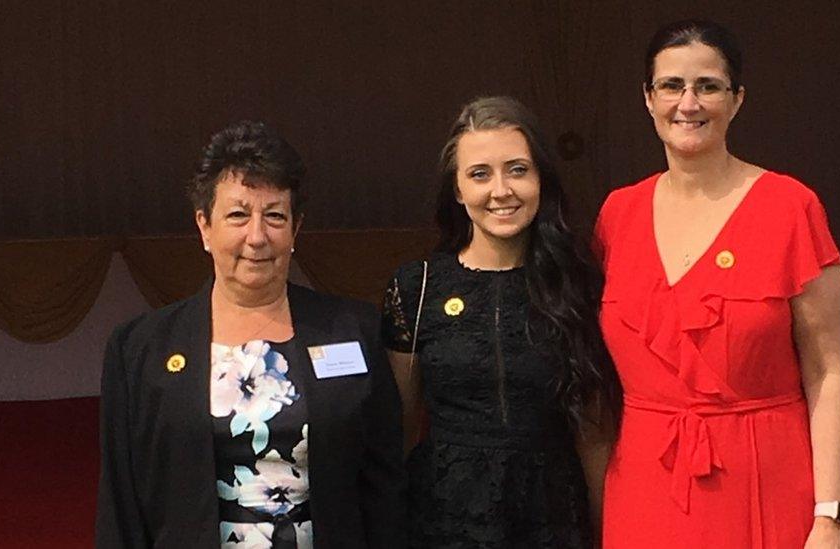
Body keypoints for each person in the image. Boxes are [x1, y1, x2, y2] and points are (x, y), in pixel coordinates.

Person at [595, 20, 840, 548]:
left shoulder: (790, 207)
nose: (688, 103)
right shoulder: (617, 214)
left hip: (767, 481)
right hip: (645, 484)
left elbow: (828, 372)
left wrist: (829, 517)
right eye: (671, 86)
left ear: (736, 100)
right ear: (648, 99)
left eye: (707, 86)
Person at [96, 120, 406, 548]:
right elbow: (121, 506)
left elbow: (385, 487)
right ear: (205, 226)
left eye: (275, 215)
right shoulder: (140, 349)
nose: (257, 237)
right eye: (238, 214)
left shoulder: (354, 330)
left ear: (296, 230)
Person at [382, 96, 621, 548]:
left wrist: (604, 532)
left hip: (552, 516)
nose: (501, 190)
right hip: (443, 519)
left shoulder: (577, 284)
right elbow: (402, 427)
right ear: (456, 189)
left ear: (541, 180)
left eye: (517, 169)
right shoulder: (417, 287)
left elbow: (595, 434)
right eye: (479, 174)